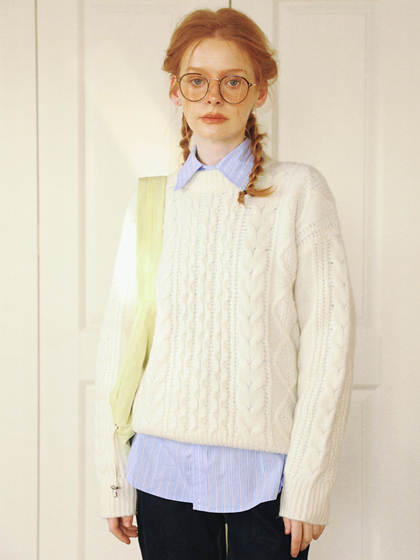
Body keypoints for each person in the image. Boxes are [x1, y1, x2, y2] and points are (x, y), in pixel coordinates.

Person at [95, 7, 356, 560]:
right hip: (162, 472)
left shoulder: (300, 192)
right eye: (197, 80)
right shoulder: (152, 201)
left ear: (259, 91)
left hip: (268, 481)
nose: (213, 96)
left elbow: (329, 343)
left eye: (233, 81)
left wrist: (309, 484)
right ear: (176, 90)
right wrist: (113, 476)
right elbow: (119, 347)